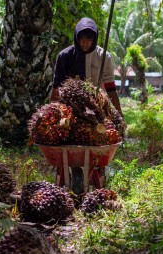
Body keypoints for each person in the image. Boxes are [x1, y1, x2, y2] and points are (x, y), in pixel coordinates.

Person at [49, 17, 123, 192]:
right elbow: (56, 87)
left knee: (100, 137)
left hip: (95, 108)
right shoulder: (65, 56)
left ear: (95, 39)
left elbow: (111, 89)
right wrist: (52, 111)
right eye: (82, 38)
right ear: (76, 37)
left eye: (89, 39)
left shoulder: (104, 57)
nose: (85, 43)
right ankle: (69, 169)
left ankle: (98, 172)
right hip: (69, 108)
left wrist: (119, 115)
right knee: (66, 136)